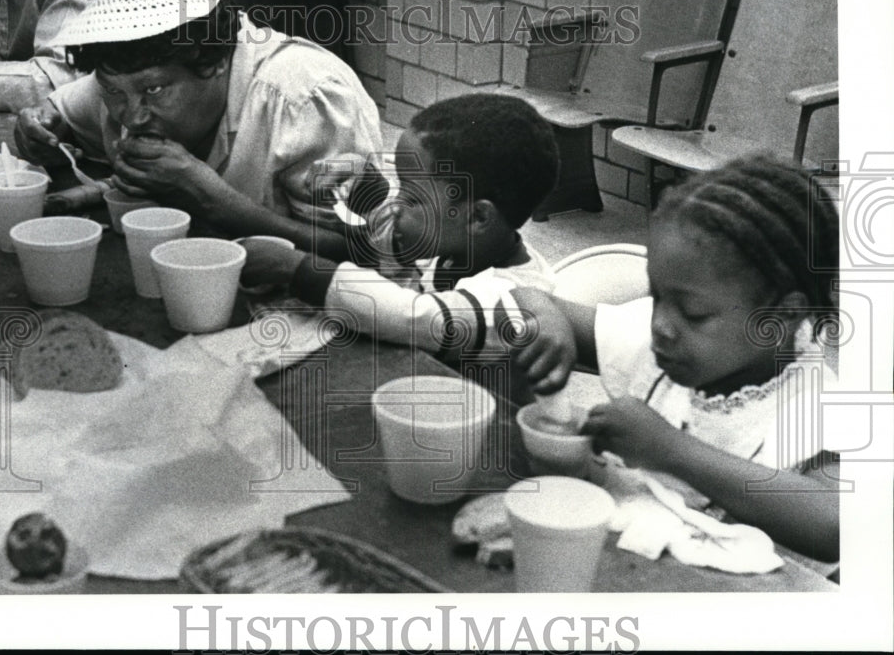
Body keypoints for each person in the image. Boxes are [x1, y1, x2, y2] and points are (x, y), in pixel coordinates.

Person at [509, 155, 841, 563]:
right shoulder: (656, 342)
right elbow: (521, 295)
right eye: (657, 297)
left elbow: (837, 524)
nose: (661, 325)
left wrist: (671, 450)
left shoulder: (818, 408)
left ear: (783, 315)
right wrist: (545, 318)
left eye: (693, 313)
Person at [13, 0, 382, 259]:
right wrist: (39, 127)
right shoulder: (124, 80)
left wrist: (209, 197)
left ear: (216, 58)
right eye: (114, 91)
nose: (132, 117)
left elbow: (365, 252)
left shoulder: (304, 100)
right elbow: (56, 111)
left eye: (153, 90)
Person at [239, 93, 561, 368]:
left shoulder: (516, 298)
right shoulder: (450, 246)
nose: (398, 204)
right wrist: (365, 182)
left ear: (477, 217)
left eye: (412, 196)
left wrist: (295, 268)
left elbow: (415, 316)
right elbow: (388, 228)